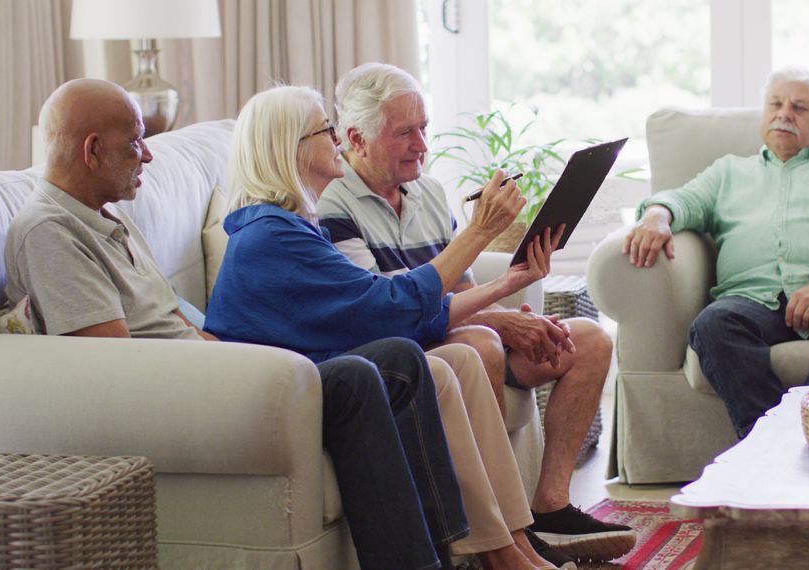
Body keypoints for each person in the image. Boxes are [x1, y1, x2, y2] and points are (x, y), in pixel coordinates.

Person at [3, 78, 465, 570]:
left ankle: (446, 554)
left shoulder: (108, 218)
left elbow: (172, 319)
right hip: (181, 395)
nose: (148, 156)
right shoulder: (49, 231)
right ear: (92, 151)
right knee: (354, 377)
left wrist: (229, 350)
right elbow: (115, 365)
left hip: (210, 370)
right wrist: (233, 366)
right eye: (135, 142)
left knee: (397, 356)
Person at [203, 84, 571, 570]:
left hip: (327, 363)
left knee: (454, 359)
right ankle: (500, 556)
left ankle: (511, 546)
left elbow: (398, 311)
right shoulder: (271, 236)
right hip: (283, 390)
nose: (337, 140)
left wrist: (508, 283)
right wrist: (480, 232)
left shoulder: (291, 226)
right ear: (290, 147)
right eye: (325, 130)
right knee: (426, 360)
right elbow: (391, 305)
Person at [316, 63, 633, 564]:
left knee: (589, 339)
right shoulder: (333, 207)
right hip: (408, 349)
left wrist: (514, 306)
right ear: (356, 138)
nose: (422, 144)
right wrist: (502, 320)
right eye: (405, 133)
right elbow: (385, 308)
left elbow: (460, 288)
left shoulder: (427, 191)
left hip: (452, 327)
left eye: (424, 127)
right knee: (480, 344)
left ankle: (550, 505)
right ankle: (494, 542)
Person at [624, 66, 809, 439]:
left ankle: (788, 437)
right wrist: (657, 215)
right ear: (764, 114)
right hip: (749, 300)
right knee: (712, 325)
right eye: (776, 104)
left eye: (799, 107)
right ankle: (788, 440)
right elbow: (683, 199)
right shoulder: (728, 172)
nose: (785, 113)